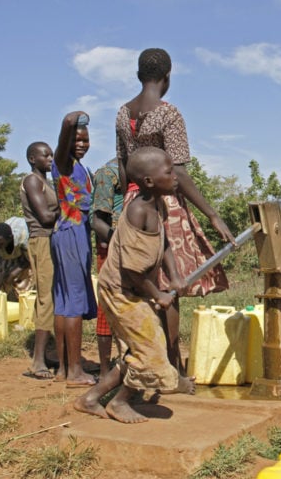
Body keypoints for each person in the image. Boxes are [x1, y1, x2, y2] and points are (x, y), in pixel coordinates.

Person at [115, 48, 233, 371]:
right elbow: (178, 173)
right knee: (168, 284)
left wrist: (123, 211)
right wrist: (211, 214)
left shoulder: (122, 114)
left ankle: (141, 359)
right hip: (164, 206)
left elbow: (125, 168)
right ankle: (172, 362)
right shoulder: (170, 114)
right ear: (167, 77)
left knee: (141, 281)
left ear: (140, 76)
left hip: (133, 202)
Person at [74, 147, 195, 423]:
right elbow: (131, 269)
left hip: (132, 289)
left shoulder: (158, 203)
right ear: (150, 181)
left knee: (136, 349)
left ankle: (90, 399)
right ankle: (119, 402)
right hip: (120, 290)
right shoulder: (138, 210)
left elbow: (164, 244)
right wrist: (158, 294)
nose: (176, 176)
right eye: (168, 172)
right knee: (151, 346)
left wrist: (174, 275)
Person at [52, 111, 98, 387]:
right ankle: (75, 370)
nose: (81, 143)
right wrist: (74, 120)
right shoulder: (63, 163)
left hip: (70, 232)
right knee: (74, 303)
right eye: (76, 139)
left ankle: (63, 368)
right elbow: (67, 124)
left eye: (86, 139)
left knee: (63, 301)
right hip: (72, 232)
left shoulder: (82, 168)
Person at [20, 141, 59, 380]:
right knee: (46, 299)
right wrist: (68, 207)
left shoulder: (46, 182)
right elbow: (45, 217)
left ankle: (49, 353)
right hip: (42, 241)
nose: (50, 158)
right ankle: (37, 361)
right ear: (32, 159)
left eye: (51, 154)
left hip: (49, 242)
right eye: (45, 155)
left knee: (50, 296)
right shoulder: (32, 181)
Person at [90, 157, 125, 377]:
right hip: (111, 250)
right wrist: (118, 242)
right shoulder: (108, 173)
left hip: (134, 251)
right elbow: (97, 221)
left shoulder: (140, 172)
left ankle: (125, 365)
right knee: (106, 309)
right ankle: (104, 370)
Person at [0, 217, 33, 302]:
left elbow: (30, 259)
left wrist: (12, 274)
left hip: (25, 255)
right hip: (10, 253)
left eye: (1, 243)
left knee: (22, 285)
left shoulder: (23, 237)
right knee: (2, 281)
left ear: (10, 238)